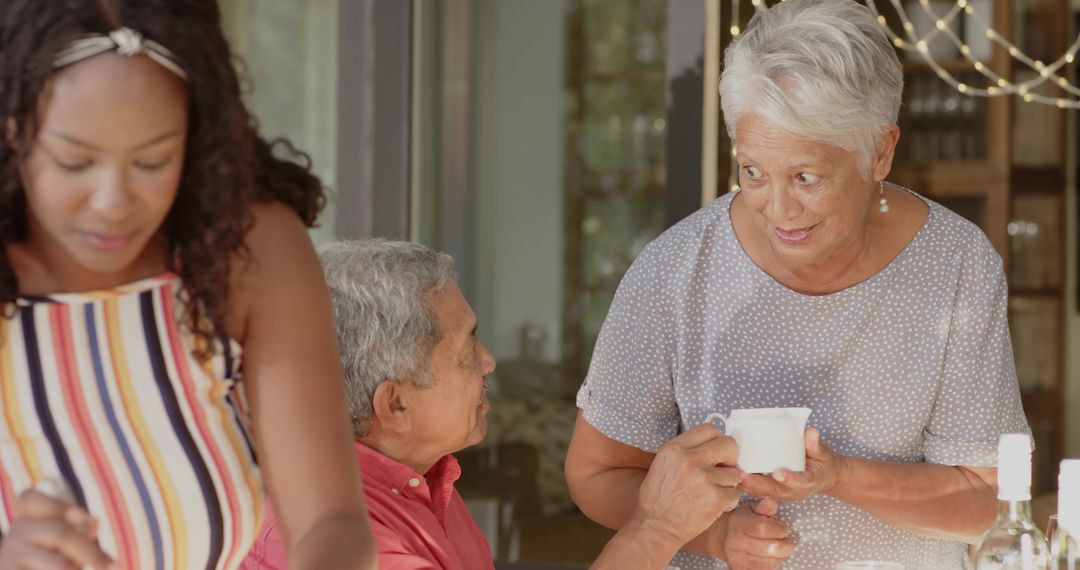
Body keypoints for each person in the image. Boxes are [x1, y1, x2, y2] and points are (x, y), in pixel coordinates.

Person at [565, 0, 1030, 568]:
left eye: (806, 176)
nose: (778, 210)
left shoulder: (956, 264)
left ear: (880, 152)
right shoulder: (676, 269)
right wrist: (714, 536)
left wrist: (839, 476)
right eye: (753, 172)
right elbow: (598, 473)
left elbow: (991, 501)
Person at [0, 1, 376, 568]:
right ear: (12, 131)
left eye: (152, 161)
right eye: (75, 162)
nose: (113, 204)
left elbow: (333, 523)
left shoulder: (248, 254)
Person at [242, 239, 743, 570]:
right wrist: (657, 526)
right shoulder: (331, 539)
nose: (489, 362)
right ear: (394, 406)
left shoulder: (421, 480)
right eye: (466, 351)